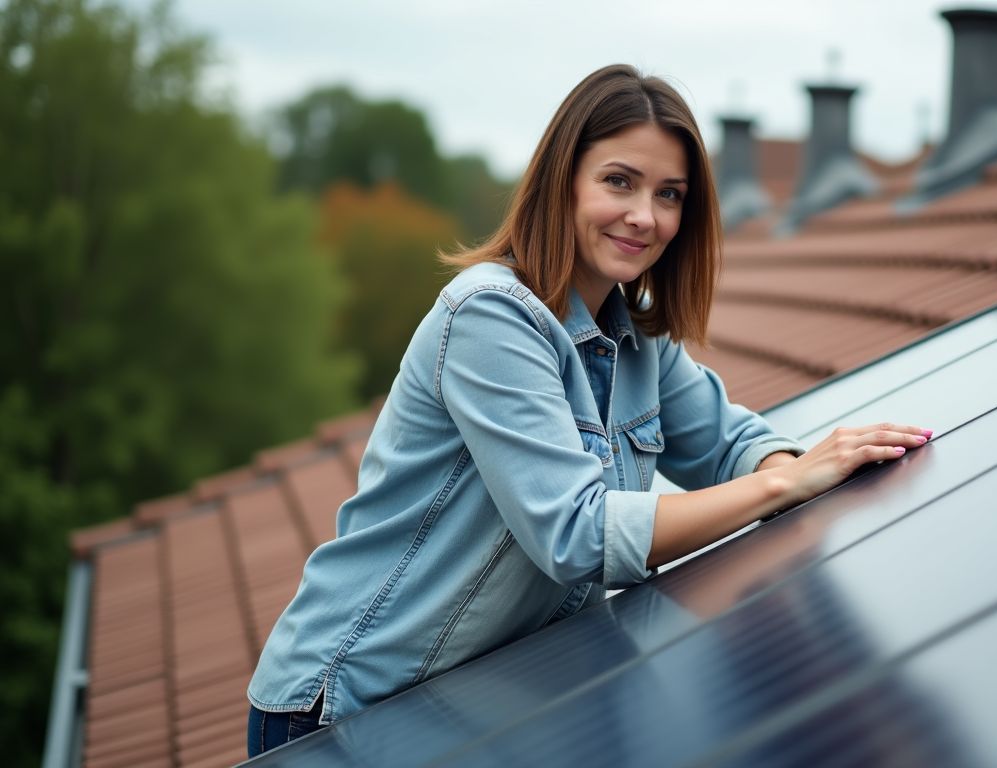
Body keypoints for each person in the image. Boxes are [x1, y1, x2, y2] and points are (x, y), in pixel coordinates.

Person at [245, 64, 930, 756]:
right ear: (563, 180)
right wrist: (786, 483)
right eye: (619, 181)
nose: (645, 217)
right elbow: (577, 533)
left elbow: (729, 444)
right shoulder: (490, 317)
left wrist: (798, 468)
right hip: (345, 707)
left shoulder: (638, 339)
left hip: (469, 708)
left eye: (670, 195)